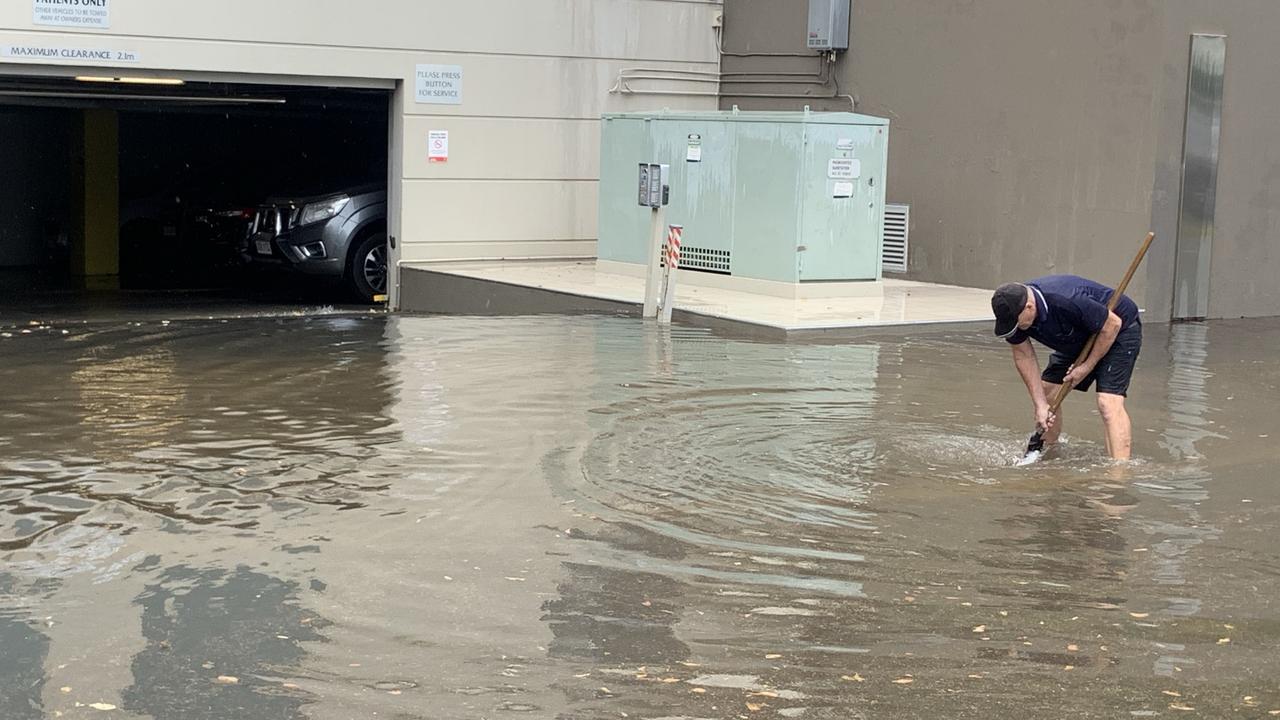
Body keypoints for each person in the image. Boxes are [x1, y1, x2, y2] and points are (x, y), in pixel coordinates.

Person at [991, 275, 1142, 460]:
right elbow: (1024, 356)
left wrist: (1087, 366)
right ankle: (1047, 453)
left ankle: (1118, 475)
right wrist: (1040, 405)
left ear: (1029, 307)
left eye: (1017, 322)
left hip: (1118, 330)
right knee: (1047, 393)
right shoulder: (1016, 317)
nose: (1016, 327)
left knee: (1107, 402)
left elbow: (1112, 324)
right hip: (1078, 337)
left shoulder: (1066, 300)